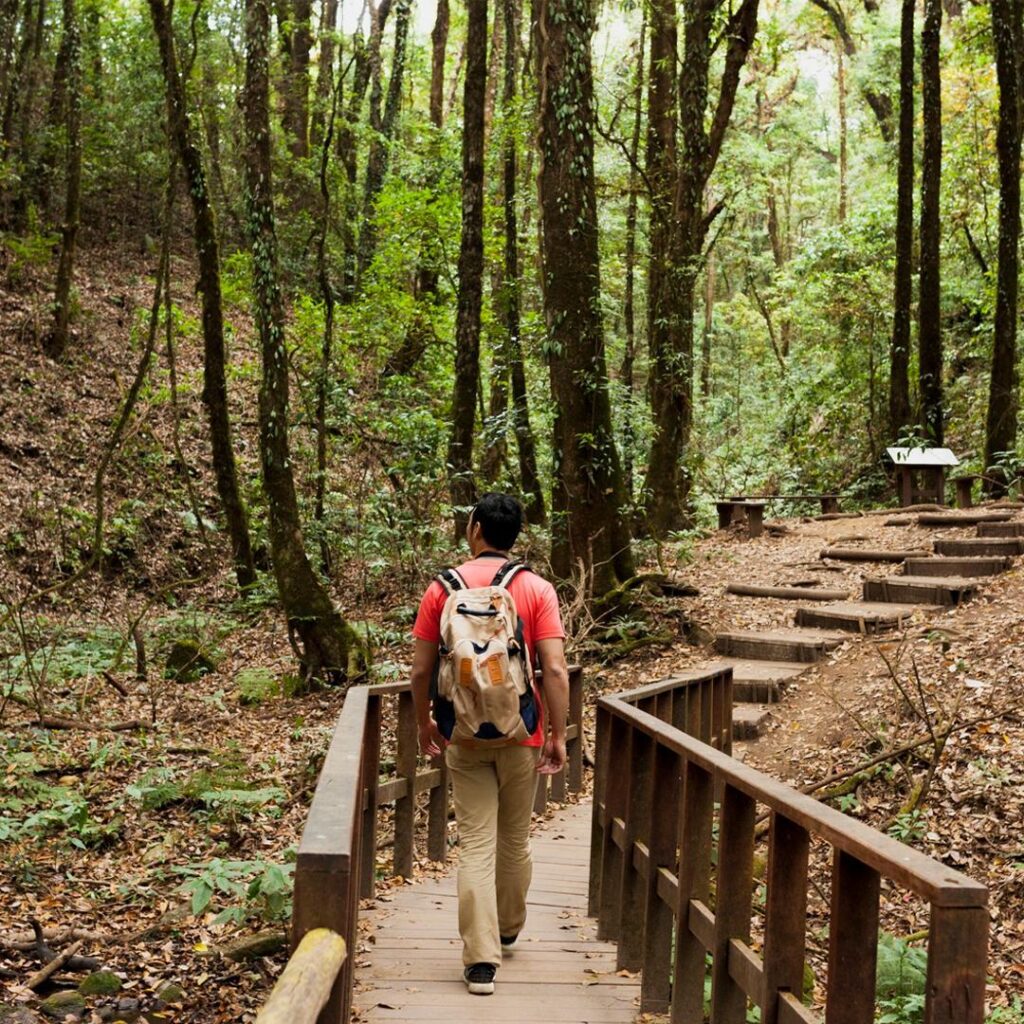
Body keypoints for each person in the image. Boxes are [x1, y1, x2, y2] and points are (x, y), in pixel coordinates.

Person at [409, 493, 569, 996]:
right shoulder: (537, 589)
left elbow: (419, 669)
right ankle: (507, 926)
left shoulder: (441, 588)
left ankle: (481, 962)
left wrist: (423, 724)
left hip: (462, 732)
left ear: (474, 528)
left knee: (476, 840)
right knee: (515, 837)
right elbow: (556, 669)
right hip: (523, 732)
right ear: (515, 534)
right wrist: (559, 734)